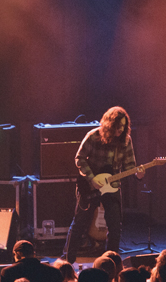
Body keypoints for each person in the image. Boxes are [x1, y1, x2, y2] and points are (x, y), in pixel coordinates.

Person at [62, 106, 144, 262]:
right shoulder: (93, 136)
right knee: (79, 223)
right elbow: (79, 158)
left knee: (115, 227)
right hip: (89, 186)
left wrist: (138, 174)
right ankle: (67, 261)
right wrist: (92, 178)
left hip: (112, 187)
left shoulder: (126, 141)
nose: (120, 129)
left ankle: (110, 263)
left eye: (123, 126)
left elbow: (130, 167)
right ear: (109, 124)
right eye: (117, 125)